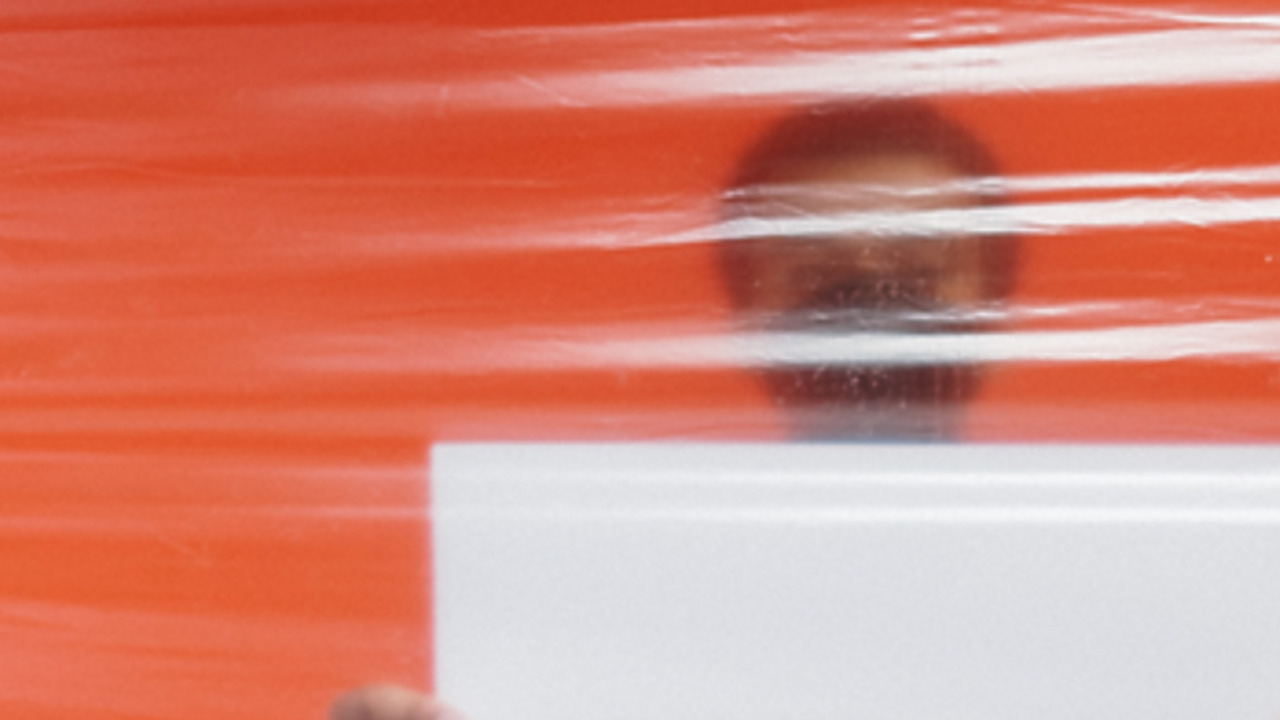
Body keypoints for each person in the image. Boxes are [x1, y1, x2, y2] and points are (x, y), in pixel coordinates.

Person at [327, 99, 1017, 719]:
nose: (869, 295)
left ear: (998, 303)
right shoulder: (601, 592)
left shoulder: (1076, 570)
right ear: (747, 313)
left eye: (920, 269)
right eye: (817, 273)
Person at [718, 98, 1017, 439]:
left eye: (921, 271)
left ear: (998, 321)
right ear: (745, 322)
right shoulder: (669, 471)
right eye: (815, 272)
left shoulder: (1067, 472)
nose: (869, 305)